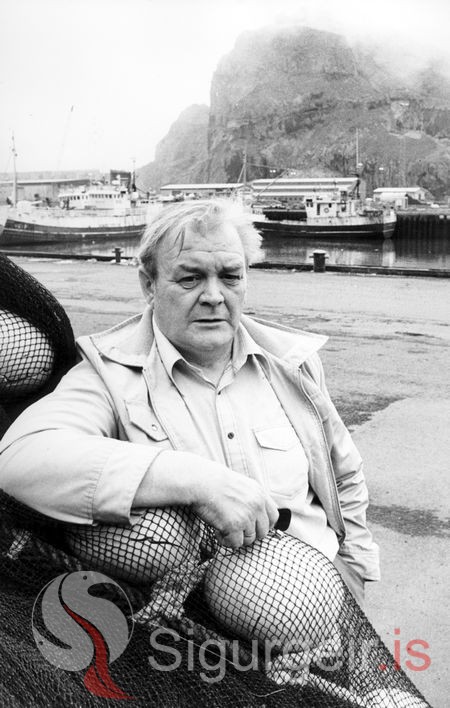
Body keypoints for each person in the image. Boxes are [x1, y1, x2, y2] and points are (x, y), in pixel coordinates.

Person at [0, 199, 379, 603]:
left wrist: (356, 567)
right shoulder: (107, 374)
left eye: (230, 276)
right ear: (149, 285)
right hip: (196, 627)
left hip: (330, 596)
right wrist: (198, 481)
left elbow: (344, 473)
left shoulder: (293, 364)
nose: (214, 296)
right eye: (190, 278)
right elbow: (20, 458)